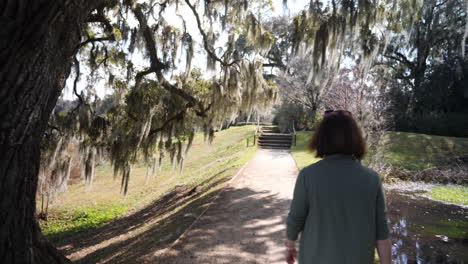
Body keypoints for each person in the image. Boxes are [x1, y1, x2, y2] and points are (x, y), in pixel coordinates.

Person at [285, 110, 392, 264]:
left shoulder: (308, 176)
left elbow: (296, 218)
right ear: (355, 138)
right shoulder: (372, 179)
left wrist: (290, 246)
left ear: (322, 138)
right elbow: (382, 233)